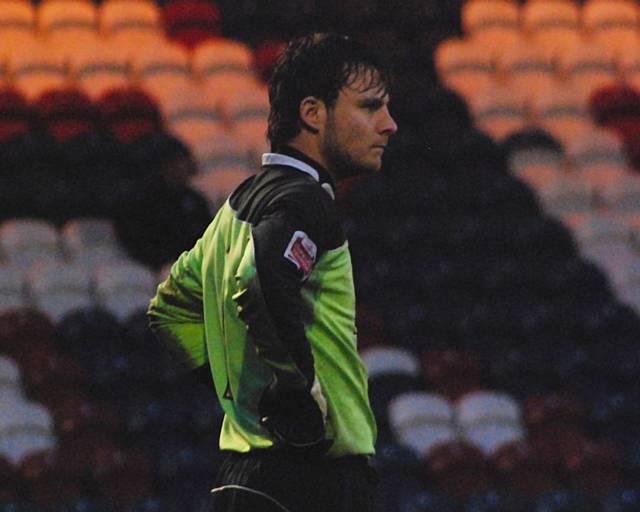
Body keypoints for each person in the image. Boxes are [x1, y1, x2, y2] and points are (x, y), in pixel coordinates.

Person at [147, 32, 398, 512]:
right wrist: (296, 397)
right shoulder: (305, 201)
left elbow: (169, 311)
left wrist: (242, 393)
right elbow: (261, 281)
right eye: (370, 107)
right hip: (311, 480)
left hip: (244, 478)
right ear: (312, 113)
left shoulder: (237, 205)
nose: (389, 125)